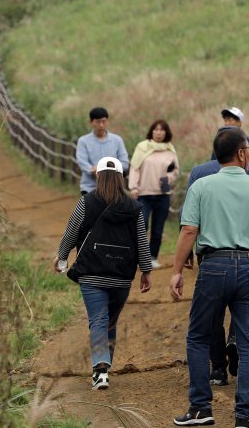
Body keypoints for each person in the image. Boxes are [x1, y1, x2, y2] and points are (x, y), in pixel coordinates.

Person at [171, 128, 249, 428]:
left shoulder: (201, 186)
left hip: (213, 266)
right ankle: (243, 418)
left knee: (198, 336)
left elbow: (188, 231)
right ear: (241, 153)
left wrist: (176, 271)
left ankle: (200, 409)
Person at [55, 157, 153, 391]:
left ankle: (100, 370)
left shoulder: (86, 202)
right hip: (121, 276)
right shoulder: (133, 207)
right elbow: (141, 240)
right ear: (122, 177)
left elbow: (71, 232)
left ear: (97, 175)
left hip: (91, 273)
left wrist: (61, 257)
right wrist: (146, 270)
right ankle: (104, 366)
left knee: (98, 320)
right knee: (110, 321)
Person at [128, 119, 180, 269]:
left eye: (162, 130)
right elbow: (134, 168)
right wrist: (133, 187)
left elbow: (175, 171)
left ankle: (152, 257)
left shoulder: (170, 150)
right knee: (142, 225)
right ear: (151, 131)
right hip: (143, 195)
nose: (158, 133)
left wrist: (168, 178)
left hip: (163, 195)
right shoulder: (142, 147)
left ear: (166, 132)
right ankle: (138, 256)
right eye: (156, 130)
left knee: (158, 230)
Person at [75, 107, 129, 195]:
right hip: (90, 188)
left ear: (107, 121)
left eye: (104, 121)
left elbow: (124, 163)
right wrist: (93, 171)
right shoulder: (83, 141)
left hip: (113, 188)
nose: (101, 125)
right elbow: (82, 162)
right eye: (98, 122)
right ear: (91, 122)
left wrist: (106, 170)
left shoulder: (117, 140)